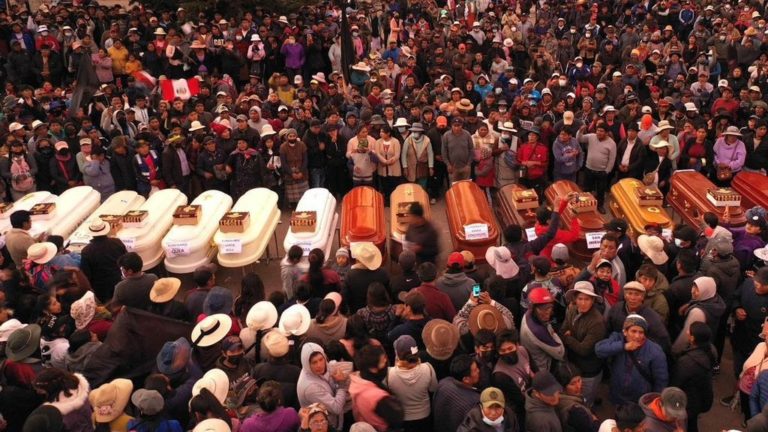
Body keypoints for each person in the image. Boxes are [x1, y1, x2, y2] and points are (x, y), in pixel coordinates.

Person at [596, 314, 668, 406]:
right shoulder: (617, 338)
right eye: (633, 331)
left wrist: (655, 402)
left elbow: (661, 379)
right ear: (625, 332)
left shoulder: (655, 351)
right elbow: (599, 350)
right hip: (617, 394)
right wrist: (623, 346)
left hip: (638, 400)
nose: (637, 336)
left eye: (641, 332)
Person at [559, 281, 606, 407]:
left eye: (587, 299)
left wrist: (568, 338)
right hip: (576, 365)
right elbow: (563, 330)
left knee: (585, 401)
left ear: (593, 300)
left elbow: (584, 349)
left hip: (589, 369)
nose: (583, 303)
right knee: (577, 397)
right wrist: (568, 336)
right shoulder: (572, 310)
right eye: (580, 298)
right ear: (575, 299)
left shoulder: (597, 322)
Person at [386, 335, 437, 431]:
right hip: (425, 416)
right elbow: (433, 389)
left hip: (403, 418)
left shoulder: (389, 374)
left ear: (397, 354)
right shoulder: (428, 368)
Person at [349, 345, 404, 431]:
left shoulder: (357, 380)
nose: (386, 362)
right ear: (372, 369)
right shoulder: (377, 397)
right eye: (383, 361)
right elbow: (397, 416)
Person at [672, 322, 716, 432]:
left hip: (688, 402)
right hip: (701, 397)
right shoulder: (711, 350)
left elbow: (676, 383)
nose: (686, 332)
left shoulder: (687, 362)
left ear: (692, 338)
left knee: (687, 425)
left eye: (689, 331)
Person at [297, 342, 349, 430]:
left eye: (321, 359)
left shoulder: (315, 369)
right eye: (314, 362)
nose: (319, 365)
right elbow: (336, 408)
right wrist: (342, 384)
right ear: (307, 364)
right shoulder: (310, 387)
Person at [671, 276, 726, 357]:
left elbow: (685, 337)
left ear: (706, 291)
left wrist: (674, 351)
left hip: (692, 351)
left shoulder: (698, 313)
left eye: (698, 290)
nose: (693, 291)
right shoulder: (715, 300)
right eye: (694, 286)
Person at [520, 287, 565, 373]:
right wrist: (554, 334)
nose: (548, 312)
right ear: (533, 308)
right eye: (542, 308)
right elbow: (560, 353)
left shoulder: (528, 315)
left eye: (549, 307)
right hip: (543, 368)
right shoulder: (538, 331)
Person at [80, 220, 126, 303]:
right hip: (118, 280)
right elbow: (126, 259)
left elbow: (86, 274)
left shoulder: (86, 251)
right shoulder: (117, 242)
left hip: (100, 288)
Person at [432, 354, 481, 432]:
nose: (478, 370)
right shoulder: (474, 402)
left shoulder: (443, 382)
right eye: (475, 370)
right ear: (466, 379)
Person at [553, 363, 601, 432]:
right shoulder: (576, 412)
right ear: (562, 387)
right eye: (572, 384)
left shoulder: (560, 397)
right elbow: (594, 430)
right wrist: (595, 420)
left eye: (579, 380)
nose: (578, 386)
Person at [441, 117, 474, 182]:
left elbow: (471, 149)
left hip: (465, 167)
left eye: (458, 125)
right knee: (454, 187)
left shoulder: (467, 134)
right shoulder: (446, 135)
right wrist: (448, 165)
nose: (457, 128)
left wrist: (468, 164)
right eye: (455, 125)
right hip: (453, 168)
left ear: (462, 125)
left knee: (466, 187)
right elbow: (444, 151)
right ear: (451, 126)